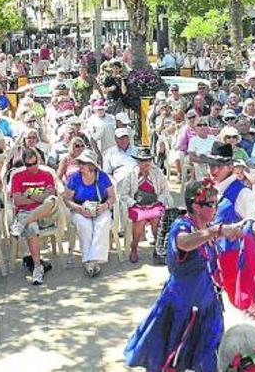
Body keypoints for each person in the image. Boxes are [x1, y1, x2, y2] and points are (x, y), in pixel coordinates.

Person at [124, 180, 245, 372]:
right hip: (182, 308)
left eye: (216, 202)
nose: (216, 207)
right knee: (173, 358)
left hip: (207, 305)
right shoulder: (182, 226)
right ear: (196, 206)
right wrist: (216, 231)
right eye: (211, 204)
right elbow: (184, 243)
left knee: (208, 356)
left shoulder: (205, 226)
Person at [10, 148, 58, 285]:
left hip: (46, 214)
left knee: (51, 201)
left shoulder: (47, 175)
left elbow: (49, 197)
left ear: (38, 160)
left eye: (34, 163)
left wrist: (29, 195)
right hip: (25, 212)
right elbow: (17, 201)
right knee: (31, 227)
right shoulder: (17, 177)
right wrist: (39, 198)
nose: (32, 167)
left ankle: (21, 224)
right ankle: (38, 267)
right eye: (28, 165)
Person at [64, 150, 115, 277]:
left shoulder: (102, 176)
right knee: (84, 225)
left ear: (91, 165)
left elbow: (112, 197)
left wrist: (105, 206)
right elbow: (67, 200)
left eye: (83, 163)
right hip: (80, 208)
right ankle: (88, 260)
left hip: (100, 206)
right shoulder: (74, 178)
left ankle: (94, 260)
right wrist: (80, 209)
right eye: (79, 162)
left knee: (103, 223)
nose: (80, 165)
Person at [120, 147, 174, 264]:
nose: (146, 163)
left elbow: (165, 191)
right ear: (138, 162)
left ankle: (159, 248)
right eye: (143, 161)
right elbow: (124, 195)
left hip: (155, 203)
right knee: (140, 220)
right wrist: (134, 203)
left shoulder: (157, 172)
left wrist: (158, 200)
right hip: (137, 205)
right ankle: (133, 247)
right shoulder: (131, 174)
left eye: (148, 160)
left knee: (156, 219)